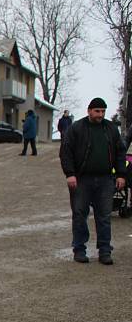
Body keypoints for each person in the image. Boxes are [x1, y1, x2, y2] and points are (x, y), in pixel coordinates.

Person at [60, 97, 127, 265]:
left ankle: (105, 251)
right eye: (97, 111)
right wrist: (70, 174)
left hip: (105, 179)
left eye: (103, 111)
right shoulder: (77, 129)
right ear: (89, 111)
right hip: (82, 179)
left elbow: (120, 152)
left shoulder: (110, 129)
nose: (100, 114)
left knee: (104, 216)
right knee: (79, 214)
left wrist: (121, 174)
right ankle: (79, 249)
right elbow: (66, 151)